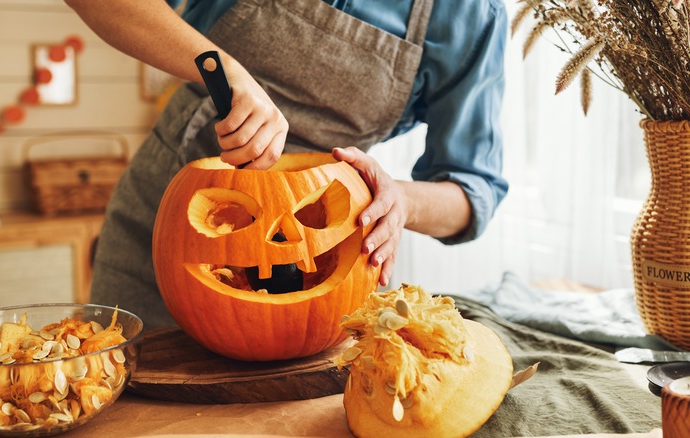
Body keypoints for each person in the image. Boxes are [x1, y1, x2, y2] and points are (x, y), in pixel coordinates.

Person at [64, 0, 509, 329]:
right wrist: (225, 71)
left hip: (323, 257)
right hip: (171, 224)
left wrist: (401, 200)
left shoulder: (471, 14)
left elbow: (473, 192)